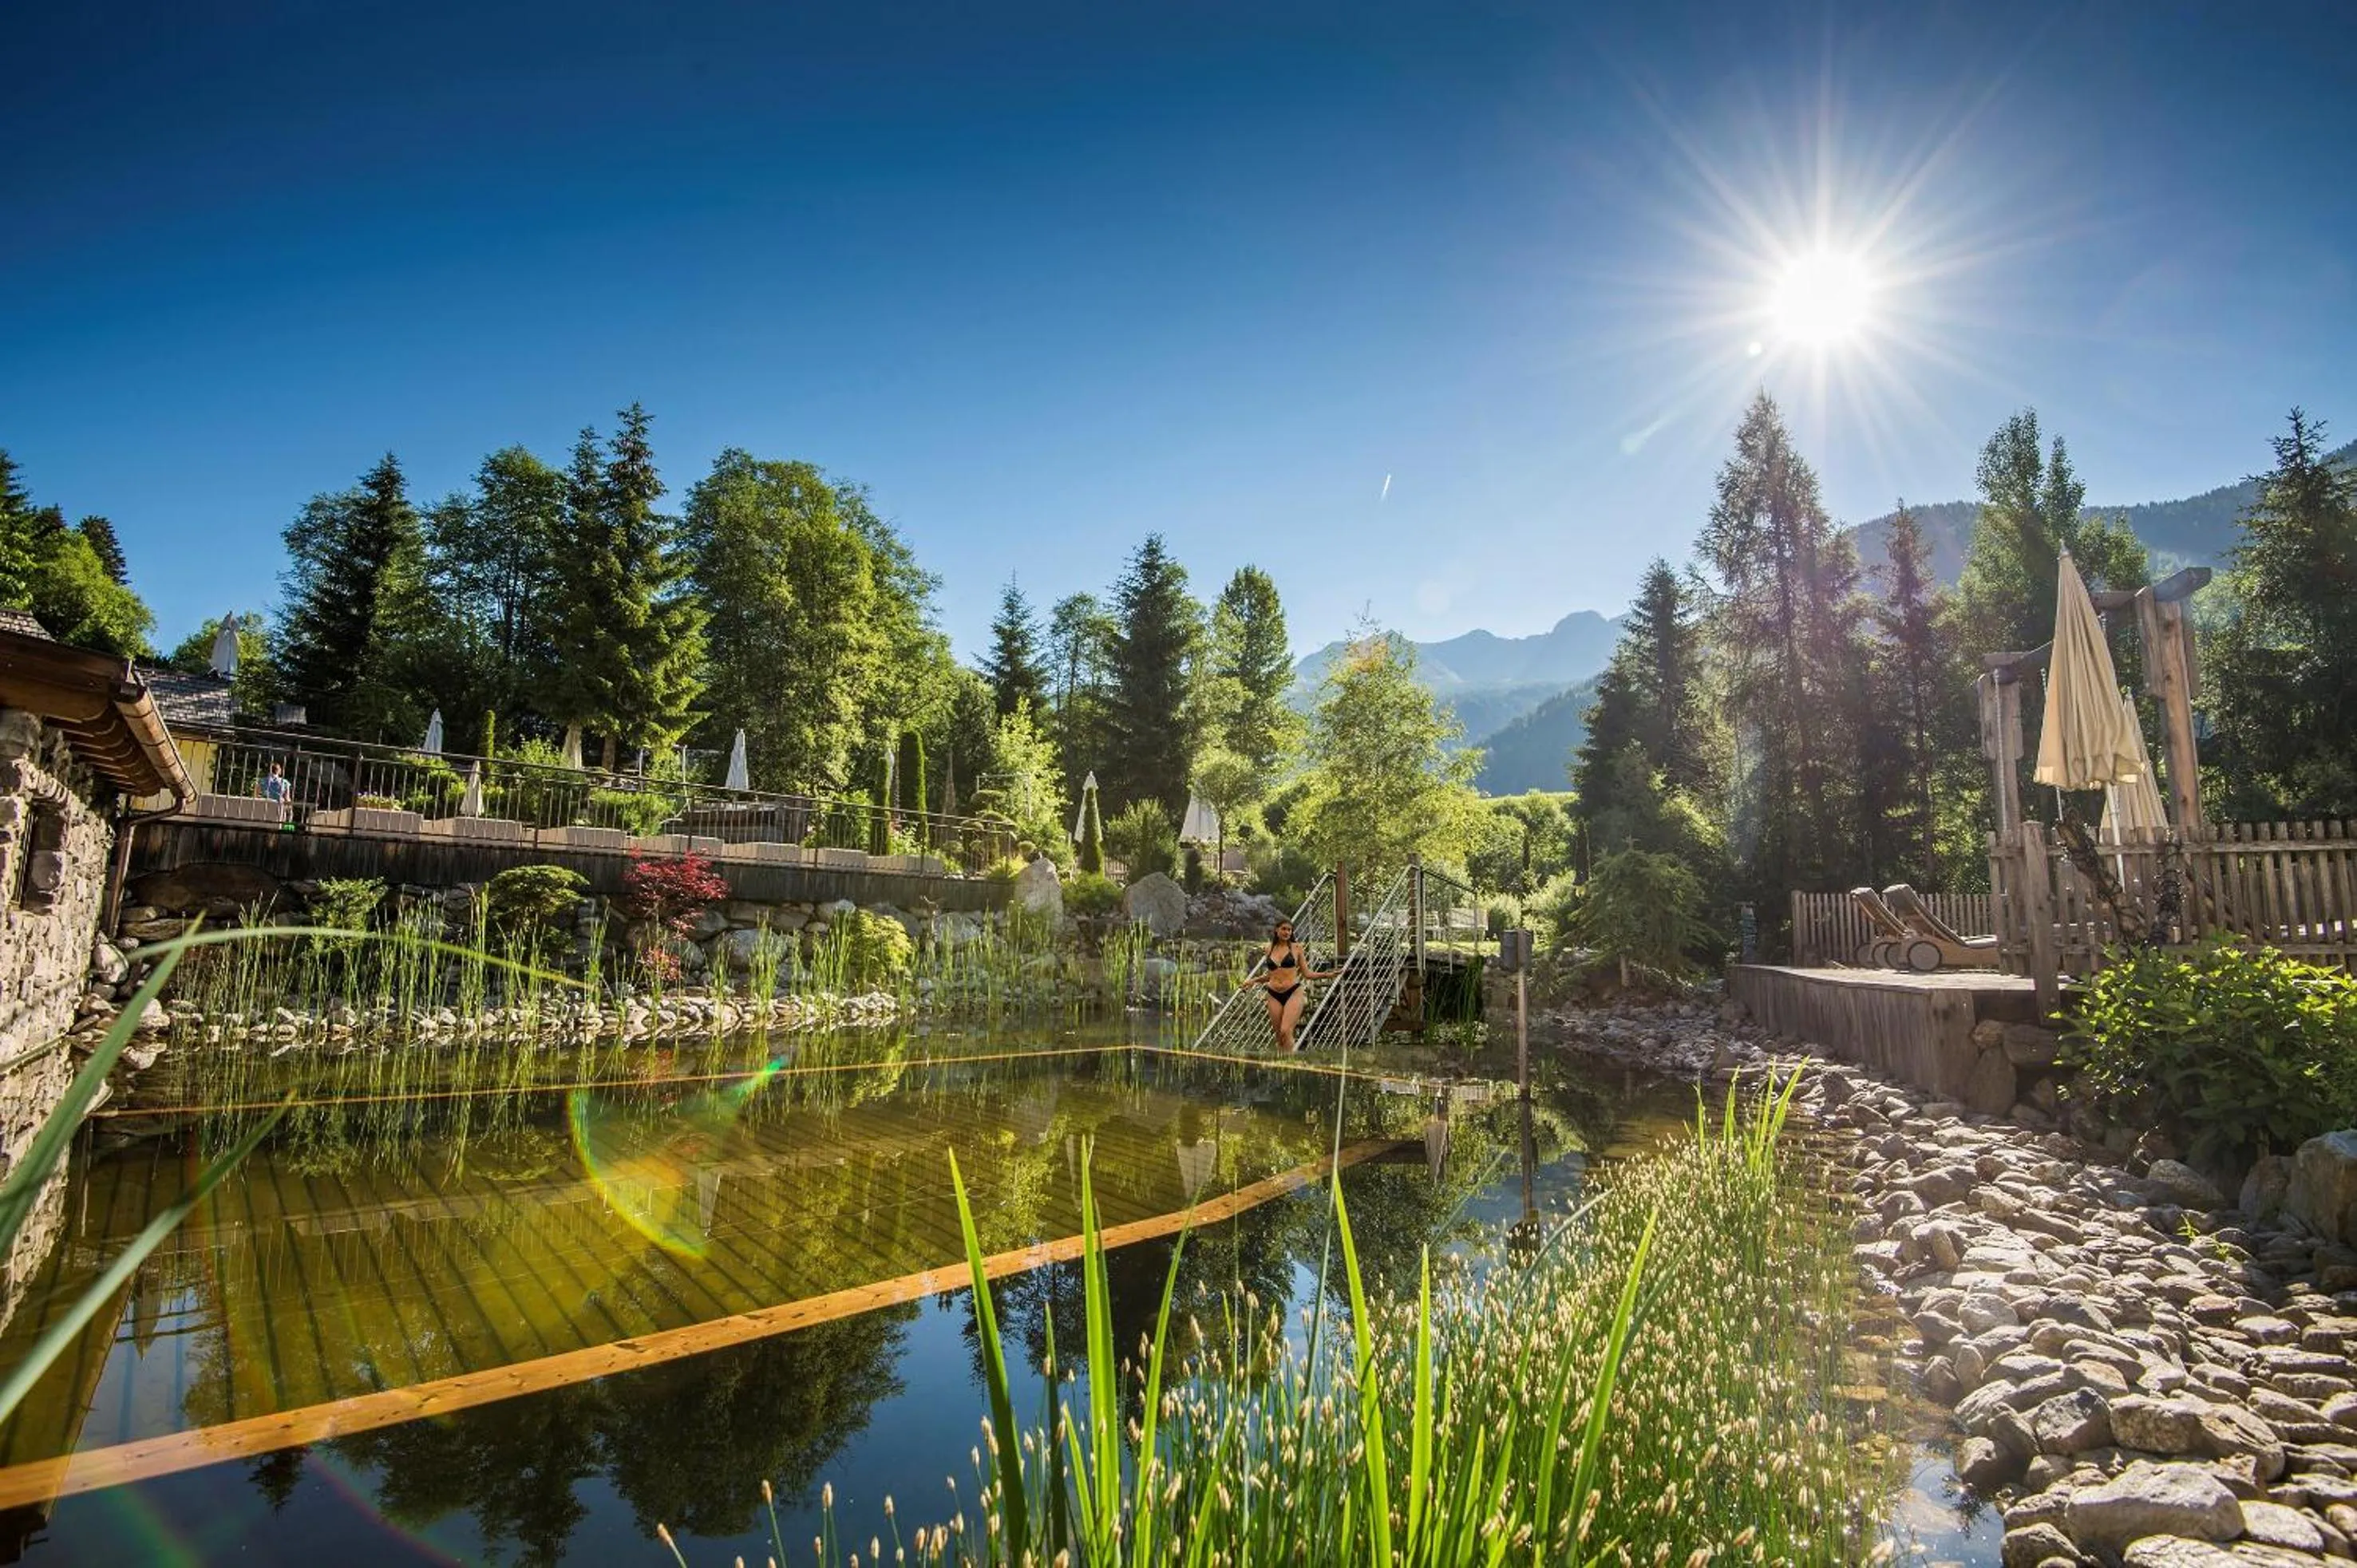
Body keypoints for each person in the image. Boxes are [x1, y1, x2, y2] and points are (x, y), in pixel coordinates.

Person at [1251, 918, 1339, 1053]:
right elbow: (1271, 975)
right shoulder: (1269, 949)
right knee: (1280, 1036)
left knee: (1286, 1030)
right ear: (1276, 930)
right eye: (1284, 929)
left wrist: (1326, 975)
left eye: (1289, 930)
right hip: (1273, 993)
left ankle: (1292, 1066)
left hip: (1293, 991)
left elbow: (1307, 974)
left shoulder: (1297, 948)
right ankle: (1283, 1067)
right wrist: (1253, 981)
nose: (1287, 932)